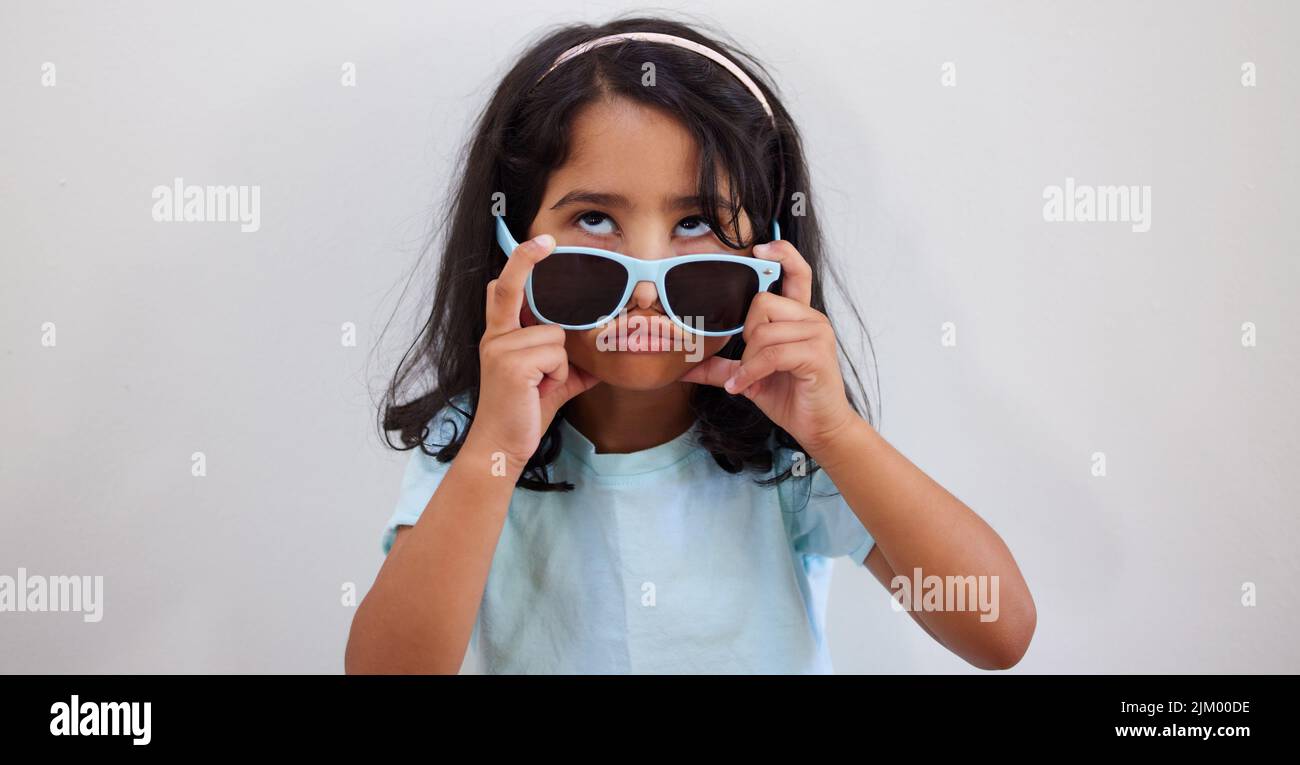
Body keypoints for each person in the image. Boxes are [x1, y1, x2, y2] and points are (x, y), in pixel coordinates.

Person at [345, 15, 1036, 674]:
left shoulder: (785, 451)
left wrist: (836, 433)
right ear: (512, 241)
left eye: (697, 220)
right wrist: (495, 449)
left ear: (771, 247)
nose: (647, 281)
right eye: (595, 216)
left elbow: (998, 631)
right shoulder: (480, 439)